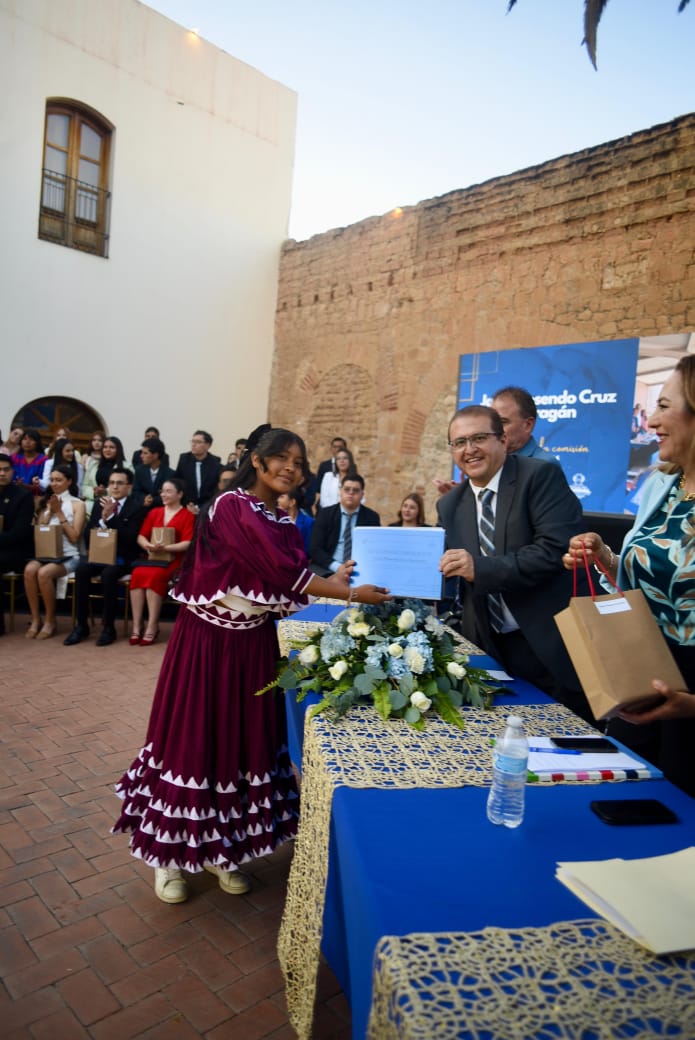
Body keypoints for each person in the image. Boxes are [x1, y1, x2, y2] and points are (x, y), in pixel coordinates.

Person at [112, 426, 389, 905]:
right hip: (207, 643)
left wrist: (336, 578)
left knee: (240, 744)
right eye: (281, 458)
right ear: (256, 461)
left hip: (253, 644)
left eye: (299, 463)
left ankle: (223, 851)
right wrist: (348, 593)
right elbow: (282, 572)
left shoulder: (281, 519)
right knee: (192, 740)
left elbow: (288, 578)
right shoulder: (230, 505)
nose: (290, 469)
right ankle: (168, 856)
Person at [563, 355, 695, 794]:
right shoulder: (662, 485)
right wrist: (605, 556)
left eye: (664, 406)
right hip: (643, 671)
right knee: (623, 795)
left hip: (688, 699)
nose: (650, 420)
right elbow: (649, 580)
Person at [438, 405, 590, 720]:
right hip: (491, 650)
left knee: (566, 739)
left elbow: (554, 551)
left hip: (552, 646)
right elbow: (445, 570)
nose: (469, 449)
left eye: (479, 438)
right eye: (459, 442)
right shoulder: (450, 504)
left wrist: (479, 568)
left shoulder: (539, 477)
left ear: (503, 440)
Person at [64, 468, 146, 647]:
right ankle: (81, 626)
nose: (115, 487)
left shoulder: (137, 508)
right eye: (112, 483)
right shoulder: (99, 504)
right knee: (82, 570)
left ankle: (109, 627)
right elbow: (87, 536)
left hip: (124, 557)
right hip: (100, 555)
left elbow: (130, 539)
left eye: (120, 483)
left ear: (129, 486)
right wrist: (101, 521)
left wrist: (110, 518)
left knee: (109, 574)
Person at [127, 478, 195, 645]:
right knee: (137, 573)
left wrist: (166, 548)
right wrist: (148, 546)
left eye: (168, 491)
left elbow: (188, 543)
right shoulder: (154, 512)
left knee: (155, 576)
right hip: (153, 558)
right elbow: (141, 536)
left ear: (180, 494)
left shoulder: (187, 515)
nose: (164, 494)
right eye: (162, 491)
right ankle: (137, 625)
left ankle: (152, 625)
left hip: (175, 560)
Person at [23, 464, 86, 639]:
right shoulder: (45, 503)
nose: (54, 484)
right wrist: (49, 511)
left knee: (44, 573)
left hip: (69, 555)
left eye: (58, 480)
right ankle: (36, 618)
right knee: (29, 570)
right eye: (51, 480)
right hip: (47, 553)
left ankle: (51, 620)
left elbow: (74, 537)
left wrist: (59, 514)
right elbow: (40, 532)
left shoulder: (78, 504)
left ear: (69, 481)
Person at [309, 473, 380, 577]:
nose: (351, 493)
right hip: (328, 567)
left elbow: (374, 550)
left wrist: (353, 568)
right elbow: (315, 548)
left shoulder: (371, 517)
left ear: (362, 495)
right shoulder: (325, 514)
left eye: (356, 490)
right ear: (340, 492)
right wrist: (337, 567)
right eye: (347, 489)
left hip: (359, 570)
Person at [0, 453, 35, 635]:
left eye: (6, 470)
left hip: (14, 550)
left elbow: (19, 533)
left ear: (13, 472)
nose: (2, 473)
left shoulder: (23, 496)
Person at [491, 386, 556, 460]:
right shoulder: (490, 461)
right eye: (492, 422)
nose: (493, 429)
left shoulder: (544, 463)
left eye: (502, 422)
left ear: (528, 425)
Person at [175, 430, 221, 509]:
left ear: (208, 445)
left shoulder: (215, 463)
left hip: (208, 506)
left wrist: (203, 507)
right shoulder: (184, 460)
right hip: (187, 504)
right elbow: (178, 482)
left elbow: (215, 488)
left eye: (198, 442)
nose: (193, 444)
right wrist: (188, 504)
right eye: (192, 441)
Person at [131, 437, 176, 512]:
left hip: (162, 511)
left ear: (155, 455)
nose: (141, 456)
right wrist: (144, 498)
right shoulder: (139, 470)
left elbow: (170, 495)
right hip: (142, 510)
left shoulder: (170, 474)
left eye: (145, 453)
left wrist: (153, 500)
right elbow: (135, 491)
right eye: (142, 453)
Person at [277, 486, 314, 554]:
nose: (277, 500)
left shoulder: (308, 522)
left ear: (292, 502)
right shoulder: (274, 519)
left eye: (281, 496)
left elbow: (307, 550)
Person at [11, 429, 47, 494]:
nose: (27, 442)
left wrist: (24, 486)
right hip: (13, 493)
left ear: (37, 442)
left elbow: (43, 485)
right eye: (24, 439)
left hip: (36, 496)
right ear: (21, 442)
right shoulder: (13, 458)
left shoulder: (44, 460)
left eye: (31, 439)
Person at [80, 430, 105, 514]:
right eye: (94, 440)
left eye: (100, 440)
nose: (97, 443)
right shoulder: (86, 457)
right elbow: (82, 477)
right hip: (88, 494)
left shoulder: (106, 458)